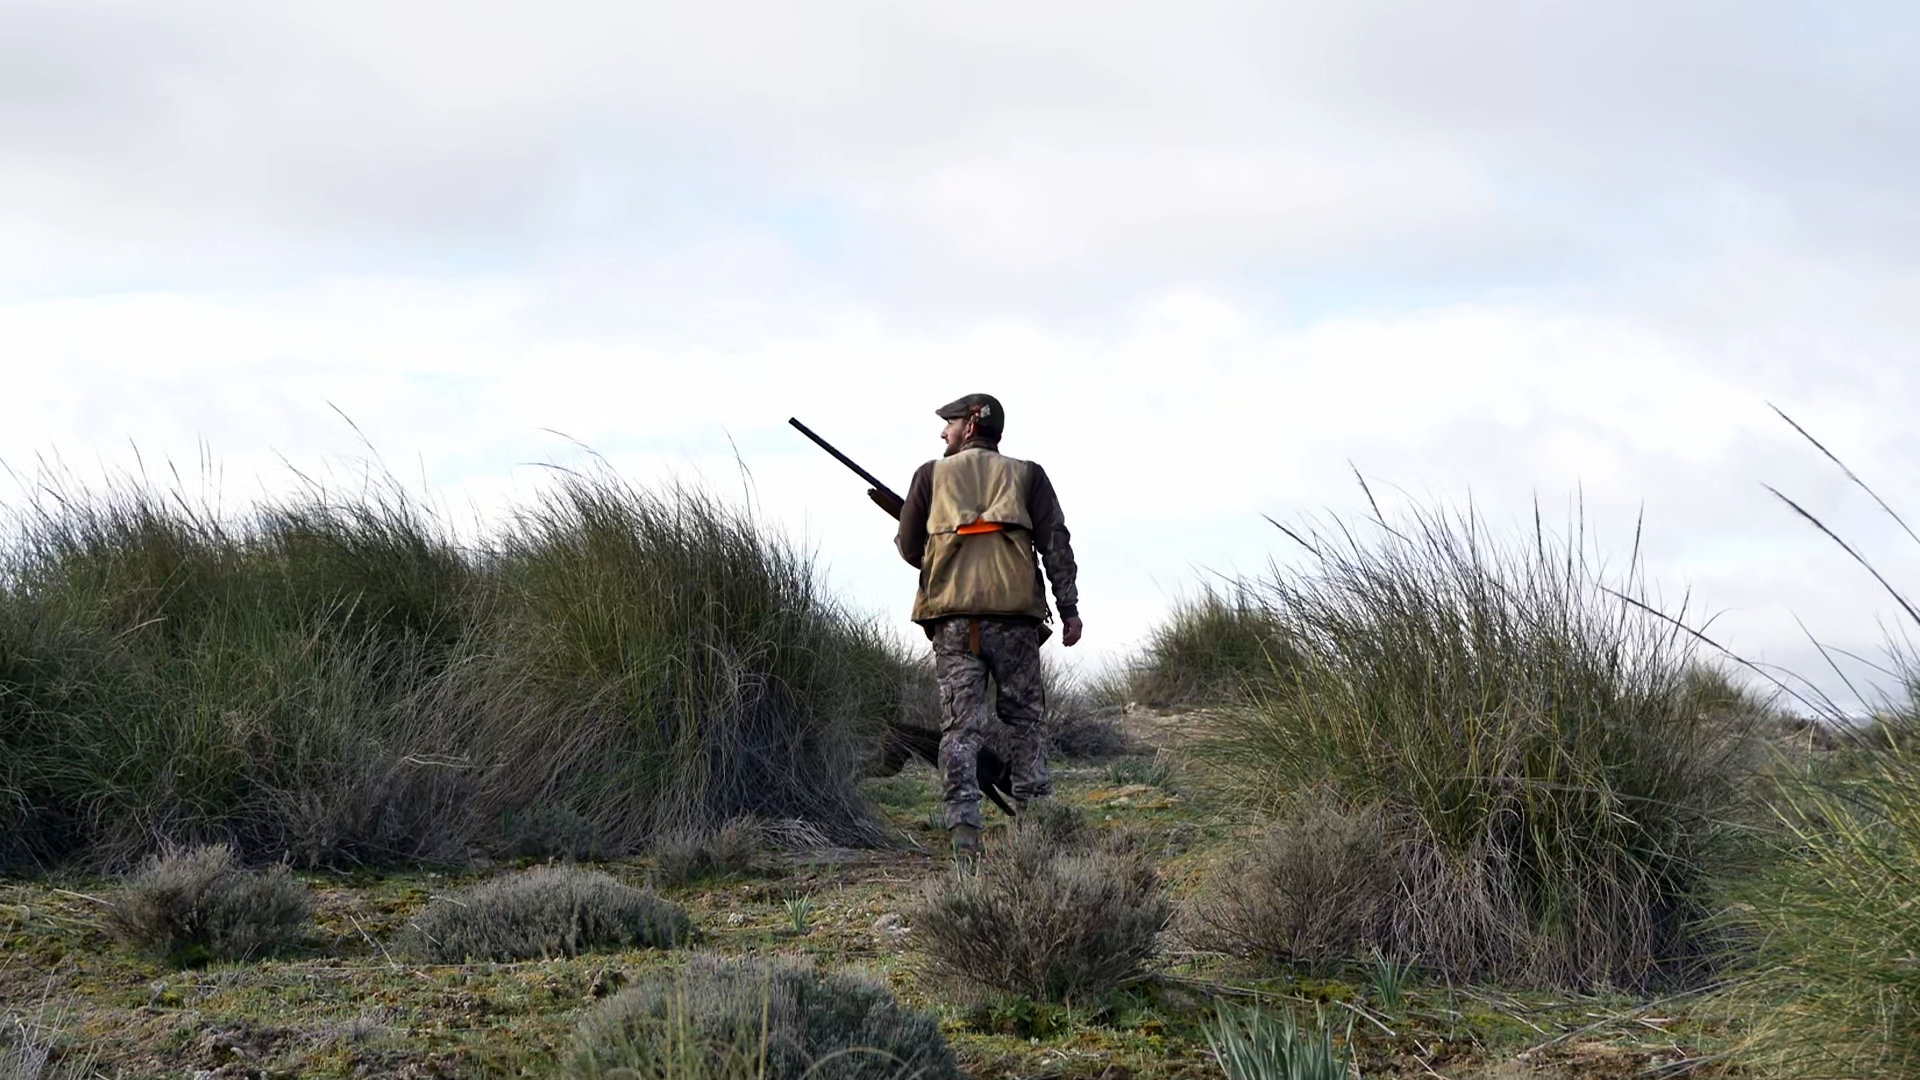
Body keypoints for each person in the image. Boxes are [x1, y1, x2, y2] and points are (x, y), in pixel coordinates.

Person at [894, 393, 1081, 857]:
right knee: (1026, 723)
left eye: (951, 422)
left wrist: (946, 552)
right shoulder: (1029, 475)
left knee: (960, 729)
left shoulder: (930, 476)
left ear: (972, 425)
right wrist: (1069, 609)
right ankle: (1036, 827)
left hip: (955, 623)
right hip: (1015, 622)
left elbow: (909, 547)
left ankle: (964, 832)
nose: (944, 431)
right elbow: (1056, 545)